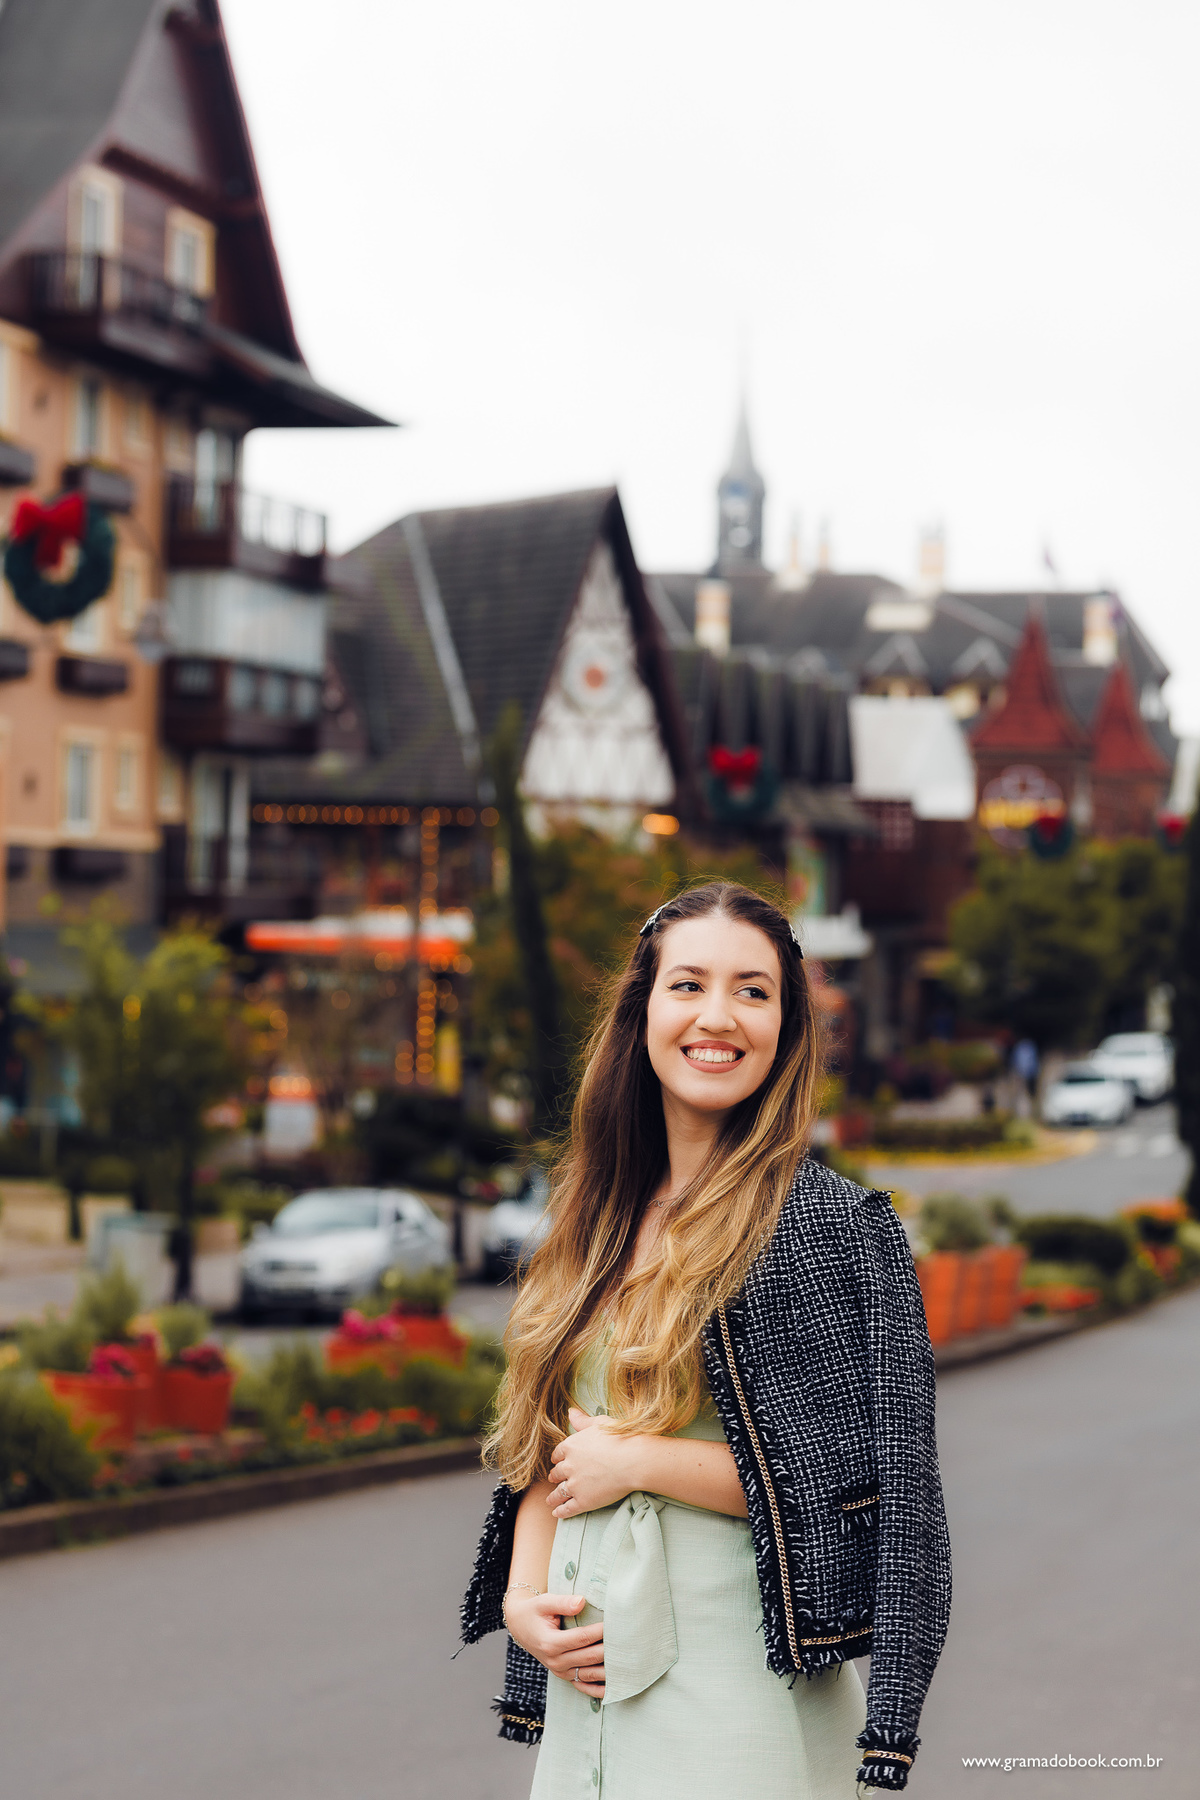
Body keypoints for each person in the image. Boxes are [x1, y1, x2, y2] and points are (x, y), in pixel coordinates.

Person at [461, 883, 950, 1795]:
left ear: (786, 1027)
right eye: (688, 984)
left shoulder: (828, 1226)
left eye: (752, 991)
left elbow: (869, 1488)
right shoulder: (593, 1215)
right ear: (643, 1010)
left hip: (739, 1702)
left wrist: (641, 1461)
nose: (717, 1016)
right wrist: (524, 1597)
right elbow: (547, 1447)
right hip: (585, 1705)